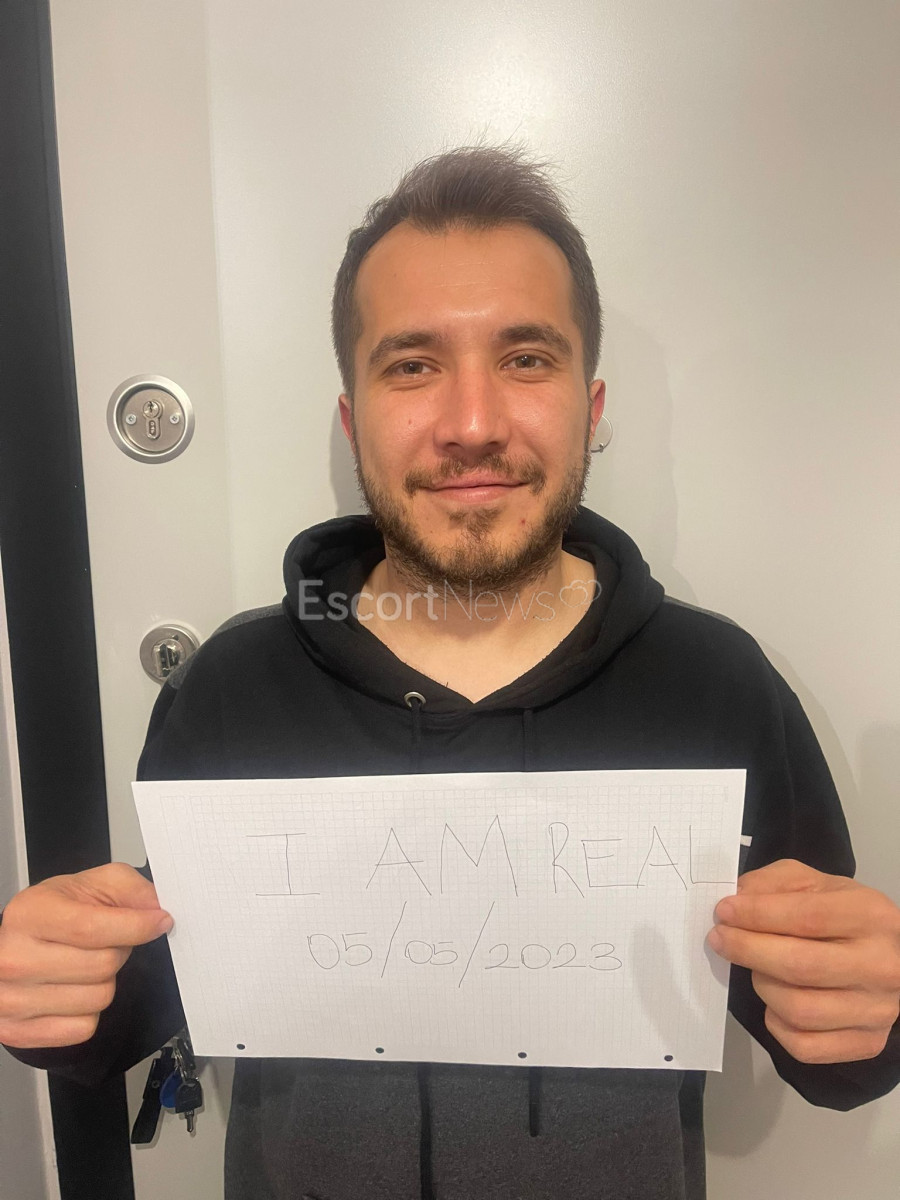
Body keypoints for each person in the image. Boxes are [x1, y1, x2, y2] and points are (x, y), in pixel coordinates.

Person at [2, 145, 899, 1200]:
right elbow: (148, 1004)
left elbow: (830, 1053)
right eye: (413, 365)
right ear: (353, 417)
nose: (473, 425)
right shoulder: (236, 687)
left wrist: (869, 1012)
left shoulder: (716, 685)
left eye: (526, 358)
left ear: (590, 406)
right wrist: (57, 995)